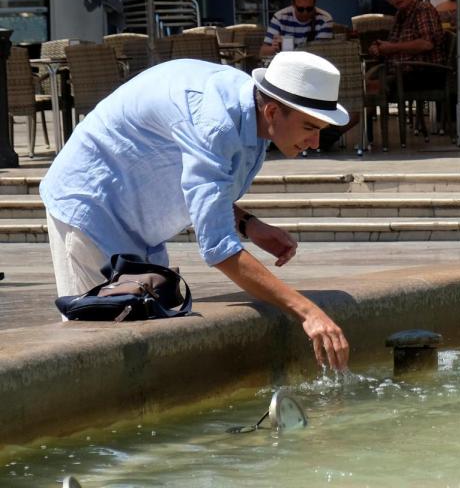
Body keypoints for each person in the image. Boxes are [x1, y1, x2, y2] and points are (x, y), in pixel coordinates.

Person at [40, 52, 352, 370]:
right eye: (310, 128)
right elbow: (219, 249)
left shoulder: (252, 114)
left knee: (141, 351)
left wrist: (248, 224)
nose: (315, 142)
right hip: (90, 208)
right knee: (99, 356)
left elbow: (206, 191)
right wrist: (308, 312)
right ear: (272, 111)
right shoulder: (216, 123)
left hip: (136, 221)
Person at [368, 0, 446, 66]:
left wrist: (392, 47)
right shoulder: (400, 14)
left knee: (365, 78)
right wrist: (378, 48)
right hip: (399, 71)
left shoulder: (423, 9)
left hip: (421, 73)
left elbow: (427, 44)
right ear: (389, 0)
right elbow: (392, 43)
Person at [261, 0, 334, 57]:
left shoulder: (324, 20)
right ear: (293, 5)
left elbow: (321, 53)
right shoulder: (280, 17)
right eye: (300, 9)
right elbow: (263, 52)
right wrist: (275, 48)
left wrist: (288, 46)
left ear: (314, 5)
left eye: (309, 9)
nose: (305, 13)